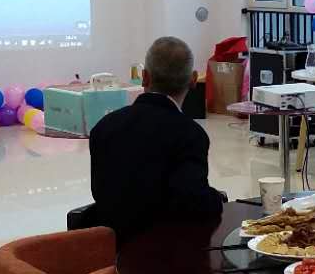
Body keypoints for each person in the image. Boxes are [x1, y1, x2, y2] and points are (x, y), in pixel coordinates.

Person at [89, 36, 225, 239]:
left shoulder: (104, 126)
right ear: (193, 80)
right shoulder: (190, 134)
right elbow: (192, 201)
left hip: (111, 246)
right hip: (165, 250)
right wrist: (216, 198)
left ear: (144, 77)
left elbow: (102, 193)